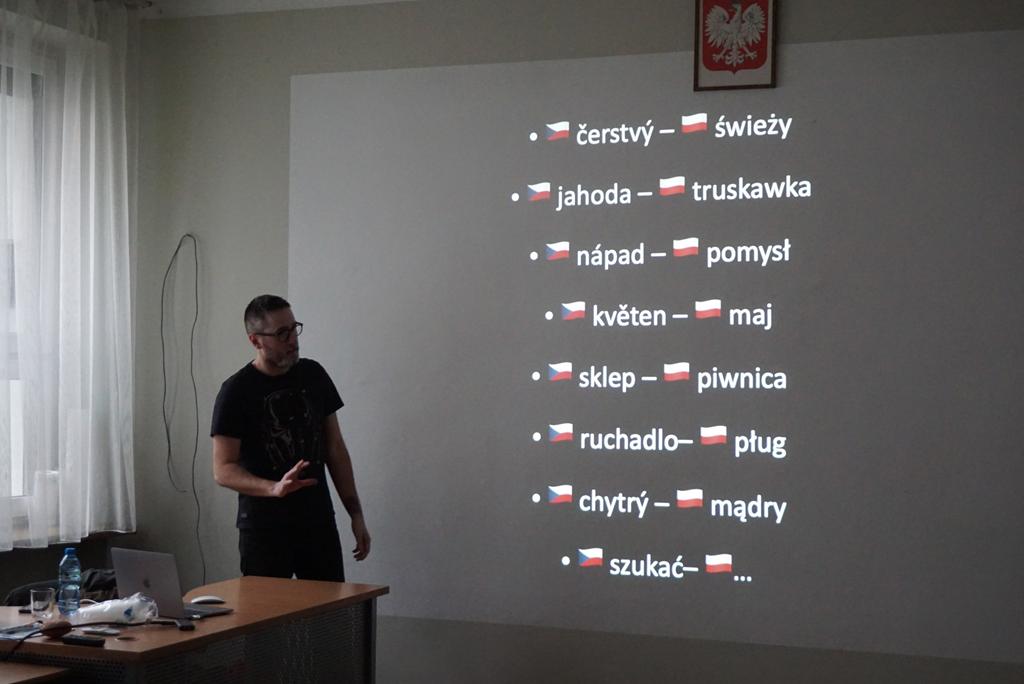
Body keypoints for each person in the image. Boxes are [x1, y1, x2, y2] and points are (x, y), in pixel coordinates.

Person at [210, 294, 370, 581]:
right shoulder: (236, 391)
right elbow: (223, 469)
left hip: (317, 522)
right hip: (263, 529)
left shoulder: (313, 375)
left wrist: (355, 513)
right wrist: (274, 488)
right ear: (256, 341)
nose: (293, 340)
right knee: (268, 610)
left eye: (294, 329)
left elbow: (335, 449)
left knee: (329, 607)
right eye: (281, 333)